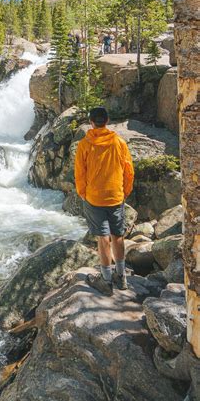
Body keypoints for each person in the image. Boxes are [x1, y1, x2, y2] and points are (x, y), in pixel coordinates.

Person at [74, 106, 134, 295]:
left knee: (103, 238)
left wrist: (82, 193)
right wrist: (125, 191)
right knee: (118, 236)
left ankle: (106, 281)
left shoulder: (84, 144)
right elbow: (128, 170)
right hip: (115, 196)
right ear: (107, 121)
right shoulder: (119, 142)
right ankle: (122, 277)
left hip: (94, 197)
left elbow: (79, 173)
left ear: (91, 122)